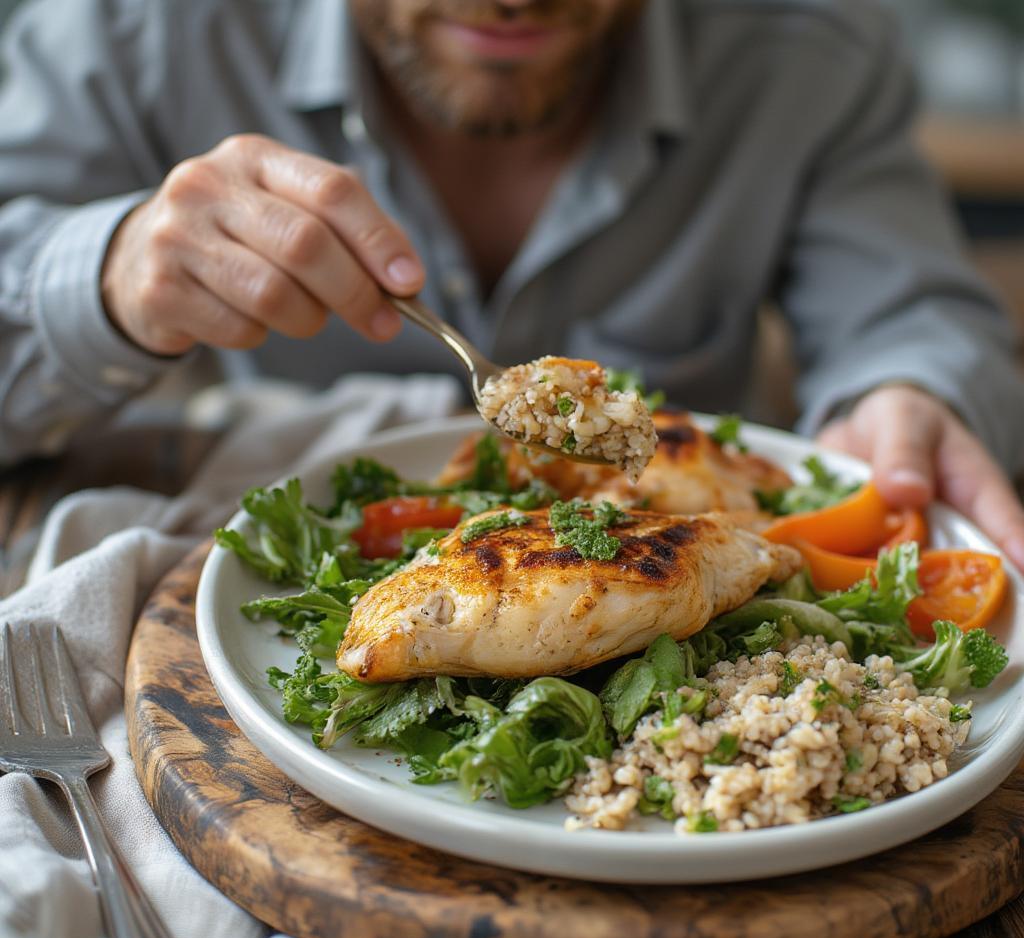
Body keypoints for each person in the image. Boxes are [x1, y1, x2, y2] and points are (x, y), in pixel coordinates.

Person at [1, 0, 1024, 567]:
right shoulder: (125, 29)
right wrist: (104, 274)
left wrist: (908, 396)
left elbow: (907, 313)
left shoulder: (812, 48)